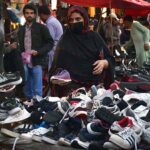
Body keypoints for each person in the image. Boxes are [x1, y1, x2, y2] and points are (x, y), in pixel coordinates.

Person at [49, 6, 115, 97]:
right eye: (71, 20)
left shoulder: (94, 37)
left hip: (94, 88)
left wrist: (104, 63)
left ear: (84, 19)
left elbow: (110, 59)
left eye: (78, 19)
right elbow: (57, 65)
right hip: (70, 89)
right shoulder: (66, 38)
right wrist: (57, 79)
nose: (74, 22)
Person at [17, 4, 54, 100]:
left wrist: (38, 51)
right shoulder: (21, 29)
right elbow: (20, 44)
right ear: (24, 14)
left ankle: (38, 106)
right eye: (27, 13)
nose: (29, 15)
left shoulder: (41, 28)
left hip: (37, 60)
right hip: (25, 60)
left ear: (35, 15)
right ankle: (29, 107)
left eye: (31, 13)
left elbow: (50, 43)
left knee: (37, 88)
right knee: (27, 85)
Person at [38, 5, 63, 70]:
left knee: (51, 69)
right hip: (57, 48)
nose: (41, 18)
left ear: (42, 14)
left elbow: (49, 40)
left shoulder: (50, 23)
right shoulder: (53, 20)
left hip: (54, 50)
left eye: (40, 16)